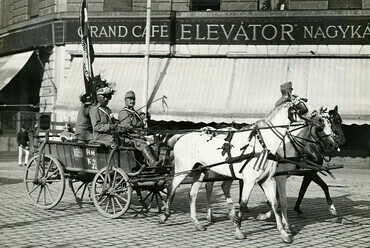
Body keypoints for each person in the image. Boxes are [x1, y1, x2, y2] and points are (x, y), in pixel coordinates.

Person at [118, 91, 163, 167]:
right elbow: (128, 128)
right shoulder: (123, 113)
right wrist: (139, 134)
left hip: (136, 136)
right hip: (128, 137)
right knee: (143, 143)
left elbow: (138, 125)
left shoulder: (134, 112)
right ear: (125, 100)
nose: (132, 101)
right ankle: (152, 163)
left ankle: (151, 164)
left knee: (154, 142)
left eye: (133, 99)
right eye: (130, 99)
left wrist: (141, 124)